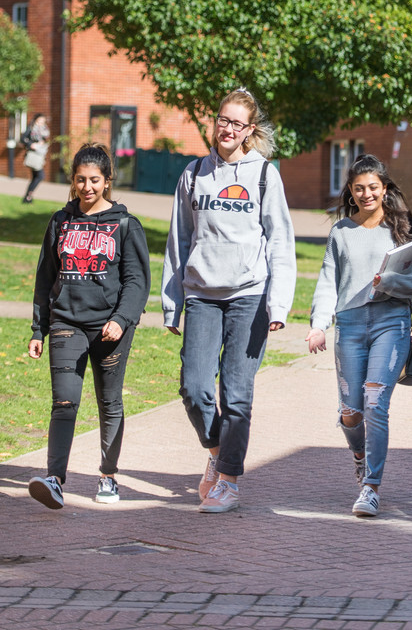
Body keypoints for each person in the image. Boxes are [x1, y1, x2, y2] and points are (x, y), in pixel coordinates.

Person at [162, 88, 296, 513]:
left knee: (236, 395)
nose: (227, 128)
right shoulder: (194, 173)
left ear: (249, 130)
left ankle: (230, 483)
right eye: (223, 119)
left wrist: (279, 303)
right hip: (202, 294)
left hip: (249, 297)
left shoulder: (264, 175)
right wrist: (172, 302)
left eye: (237, 123)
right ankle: (218, 451)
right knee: (194, 386)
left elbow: (280, 241)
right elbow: (178, 241)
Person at [27, 143, 150, 509]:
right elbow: (44, 278)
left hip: (111, 327)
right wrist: (39, 329)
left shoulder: (125, 224)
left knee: (109, 402)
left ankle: (108, 477)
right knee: (64, 401)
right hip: (67, 321)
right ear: (73, 181)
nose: (87, 187)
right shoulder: (60, 222)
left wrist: (121, 319)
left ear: (107, 181)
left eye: (94, 180)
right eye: (80, 180)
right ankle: (54, 480)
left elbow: (137, 282)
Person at [306, 154, 412, 518]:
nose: (366, 194)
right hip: (350, 326)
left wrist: (387, 280)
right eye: (359, 188)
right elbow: (328, 280)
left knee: (375, 403)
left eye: (373, 187)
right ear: (351, 191)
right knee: (350, 412)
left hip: (392, 322)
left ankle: (371, 487)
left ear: (385, 188)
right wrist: (318, 324)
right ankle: (359, 455)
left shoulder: (402, 228)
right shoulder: (341, 231)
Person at [22, 114, 50, 204]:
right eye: (39, 121)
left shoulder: (44, 130)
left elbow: (45, 139)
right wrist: (31, 144)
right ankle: (28, 196)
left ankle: (27, 197)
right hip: (33, 155)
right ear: (35, 120)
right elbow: (22, 139)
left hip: (40, 154)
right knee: (40, 176)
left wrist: (42, 143)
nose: (41, 123)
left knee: (35, 177)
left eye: (43, 121)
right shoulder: (31, 128)